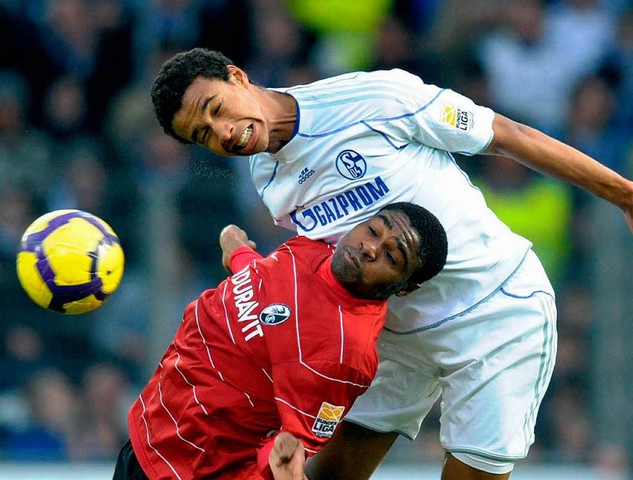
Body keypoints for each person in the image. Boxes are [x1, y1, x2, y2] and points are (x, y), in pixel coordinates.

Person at [150, 48, 633, 479]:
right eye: (203, 135)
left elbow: (506, 135)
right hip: (387, 338)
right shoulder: (267, 177)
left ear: (237, 77)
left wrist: (624, 196)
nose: (224, 133)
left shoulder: (374, 98)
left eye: (216, 110)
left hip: (497, 312)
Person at [112, 202, 448, 480]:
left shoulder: (344, 355)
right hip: (151, 431)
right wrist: (238, 253)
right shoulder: (314, 247)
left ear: (404, 287)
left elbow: (292, 448)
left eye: (392, 257)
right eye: (373, 230)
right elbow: (269, 292)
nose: (370, 248)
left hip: (184, 468)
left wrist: (280, 466)